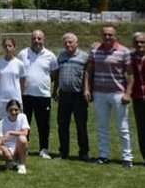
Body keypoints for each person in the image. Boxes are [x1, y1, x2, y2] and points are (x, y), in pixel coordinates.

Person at [84, 26, 134, 168]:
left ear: (115, 36)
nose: (107, 37)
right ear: (101, 35)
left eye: (110, 35)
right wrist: (87, 88)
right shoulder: (95, 50)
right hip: (99, 94)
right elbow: (88, 71)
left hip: (118, 94)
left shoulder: (124, 51)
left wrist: (128, 93)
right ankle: (103, 155)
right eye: (105, 34)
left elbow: (130, 74)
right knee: (101, 126)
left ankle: (127, 157)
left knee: (122, 127)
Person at [18, 30, 59, 160]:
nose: (37, 41)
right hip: (25, 95)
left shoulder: (50, 56)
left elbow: (54, 74)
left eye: (39, 38)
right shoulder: (22, 54)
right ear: (31, 40)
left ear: (43, 40)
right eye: (34, 38)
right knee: (24, 124)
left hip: (43, 96)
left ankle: (44, 149)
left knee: (43, 124)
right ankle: (24, 148)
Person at [53, 32, 90, 161]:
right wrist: (54, 91)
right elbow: (57, 75)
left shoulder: (84, 57)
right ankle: (63, 152)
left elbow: (87, 75)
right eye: (65, 42)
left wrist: (86, 89)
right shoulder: (61, 56)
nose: (68, 44)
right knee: (62, 125)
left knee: (81, 125)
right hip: (64, 95)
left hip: (79, 96)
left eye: (70, 42)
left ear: (76, 43)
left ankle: (84, 152)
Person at [0, 38, 26, 121]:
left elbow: (22, 82)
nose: (7, 48)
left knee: (17, 123)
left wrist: (20, 96)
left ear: (14, 47)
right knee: (2, 123)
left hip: (15, 97)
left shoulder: (20, 64)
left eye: (10, 46)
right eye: (5, 46)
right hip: (2, 98)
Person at [0, 99, 29, 174]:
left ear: (19, 110)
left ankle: (22, 164)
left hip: (19, 145)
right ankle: (11, 161)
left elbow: (25, 132)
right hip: (8, 147)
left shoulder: (23, 117)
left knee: (22, 139)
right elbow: (0, 140)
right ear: (7, 110)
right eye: (11, 110)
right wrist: (4, 149)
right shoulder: (2, 121)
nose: (13, 112)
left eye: (16, 110)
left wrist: (10, 132)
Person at [131, 32, 145, 164]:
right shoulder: (130, 58)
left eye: (142, 42)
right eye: (137, 42)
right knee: (141, 129)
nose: (140, 45)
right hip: (138, 98)